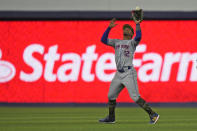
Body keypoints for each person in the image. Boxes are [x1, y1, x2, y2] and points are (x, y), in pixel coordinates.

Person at [99, 14, 159, 124]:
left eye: (128, 28)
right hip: (118, 74)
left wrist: (137, 24)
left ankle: (153, 114)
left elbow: (139, 37)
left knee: (135, 97)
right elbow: (103, 40)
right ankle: (111, 118)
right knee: (111, 96)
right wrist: (109, 28)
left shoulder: (132, 43)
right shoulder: (116, 42)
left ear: (131, 33)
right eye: (124, 28)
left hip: (128, 73)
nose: (125, 29)